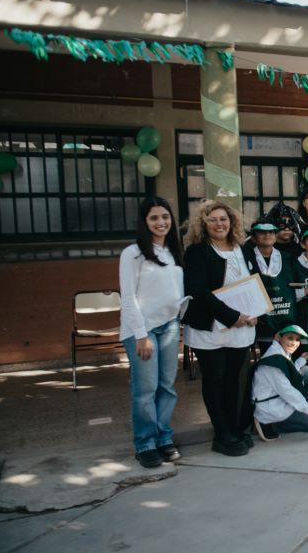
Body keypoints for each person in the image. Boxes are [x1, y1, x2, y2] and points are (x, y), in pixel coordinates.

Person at [182, 200, 259, 457]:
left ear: (232, 222)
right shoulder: (196, 252)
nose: (219, 224)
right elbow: (198, 291)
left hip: (242, 327)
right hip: (210, 329)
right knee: (215, 380)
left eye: (223, 219)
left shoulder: (243, 249)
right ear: (203, 223)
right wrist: (231, 316)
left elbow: (254, 283)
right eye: (212, 219)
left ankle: (237, 429)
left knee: (235, 381)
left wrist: (256, 311)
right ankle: (222, 433)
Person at [119, 196, 185, 468]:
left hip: (169, 327)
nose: (161, 222)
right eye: (154, 218)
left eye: (165, 217)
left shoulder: (172, 252)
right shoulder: (132, 253)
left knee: (166, 387)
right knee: (145, 389)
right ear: (145, 222)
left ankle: (163, 438)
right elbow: (128, 297)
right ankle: (145, 443)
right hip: (143, 331)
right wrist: (141, 334)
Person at [251, 324, 308, 441]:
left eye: (297, 340)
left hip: (278, 397)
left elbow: (289, 374)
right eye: (290, 338)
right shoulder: (274, 359)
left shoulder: (280, 351)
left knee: (307, 371)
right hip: (271, 405)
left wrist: (301, 360)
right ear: (278, 337)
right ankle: (267, 424)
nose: (294, 343)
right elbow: (286, 390)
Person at [247, 220, 297, 346]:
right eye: (262, 232)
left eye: (271, 232)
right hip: (261, 319)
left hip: (285, 315)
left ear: (276, 236)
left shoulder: (287, 257)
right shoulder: (246, 257)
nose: (267, 235)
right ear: (253, 237)